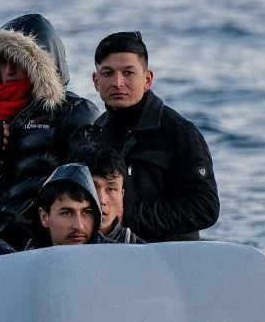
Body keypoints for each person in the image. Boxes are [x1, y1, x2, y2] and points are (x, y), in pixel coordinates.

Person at [0, 13, 98, 242]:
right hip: (7, 221)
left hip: (52, 228)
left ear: (42, 65)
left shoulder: (74, 110)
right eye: (3, 61)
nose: (9, 70)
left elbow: (90, 183)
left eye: (18, 60)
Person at [88, 30, 218, 242]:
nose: (118, 82)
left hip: (169, 259)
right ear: (96, 81)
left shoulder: (180, 132)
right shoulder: (95, 132)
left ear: (147, 79)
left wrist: (127, 215)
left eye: (128, 73)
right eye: (108, 73)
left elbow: (205, 208)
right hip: (109, 255)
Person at [29, 163, 115, 248]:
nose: (79, 226)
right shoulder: (26, 260)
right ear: (44, 217)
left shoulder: (117, 257)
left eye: (87, 212)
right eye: (67, 213)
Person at [80, 143, 143, 245]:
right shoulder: (49, 246)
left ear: (122, 196)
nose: (101, 200)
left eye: (111, 189)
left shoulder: (138, 252)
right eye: (91, 188)